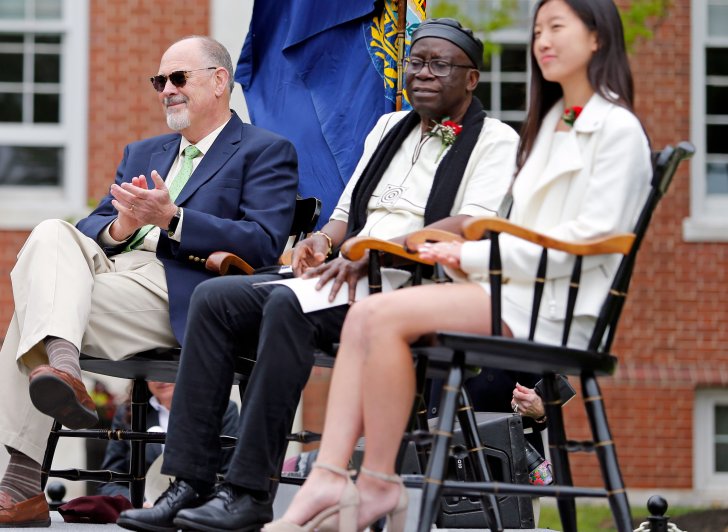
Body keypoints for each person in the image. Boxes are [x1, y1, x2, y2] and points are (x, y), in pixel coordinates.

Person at [117, 18, 519, 532]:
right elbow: (347, 213)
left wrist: (374, 251)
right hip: (345, 275)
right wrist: (319, 241)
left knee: (288, 305)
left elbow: (467, 226)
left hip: (413, 288)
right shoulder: (386, 129)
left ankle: (248, 492)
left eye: (440, 64)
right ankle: (189, 481)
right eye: (415, 62)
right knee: (216, 299)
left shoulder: (496, 141)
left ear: (471, 79)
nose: (423, 73)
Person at [267, 1, 652, 531]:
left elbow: (582, 245)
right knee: (367, 313)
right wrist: (438, 246)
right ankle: (347, 478)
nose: (542, 39)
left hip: (556, 307)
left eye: (557, 27)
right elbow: (519, 230)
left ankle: (367, 482)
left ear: (597, 40)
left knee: (379, 316)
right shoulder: (560, 123)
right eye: (538, 29)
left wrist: (465, 253)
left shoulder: (615, 129)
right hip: (514, 291)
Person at [0, 35, 298, 527]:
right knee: (52, 231)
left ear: (219, 81)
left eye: (178, 78)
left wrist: (174, 219)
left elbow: (264, 242)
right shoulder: (145, 150)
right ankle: (64, 364)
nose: (166, 90)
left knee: (35, 310)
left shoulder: (265, 151)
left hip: (183, 286)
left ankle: (21, 480)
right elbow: (91, 226)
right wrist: (121, 227)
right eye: (160, 81)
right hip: (113, 271)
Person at [97, 382, 239, 504]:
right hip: (145, 515)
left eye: (168, 367)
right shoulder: (128, 413)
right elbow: (110, 482)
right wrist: (140, 503)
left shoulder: (223, 410)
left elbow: (231, 477)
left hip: (198, 515)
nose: (160, 378)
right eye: (153, 370)